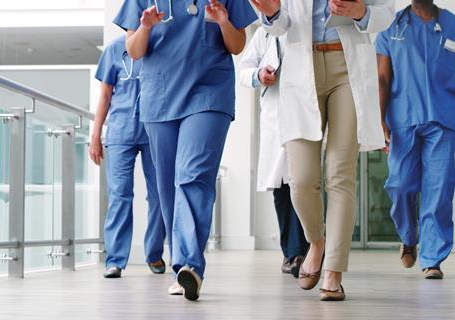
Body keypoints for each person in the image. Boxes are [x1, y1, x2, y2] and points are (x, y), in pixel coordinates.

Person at [113, 0, 257, 301]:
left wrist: (223, 22)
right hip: (160, 95)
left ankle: (189, 265)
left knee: (194, 175)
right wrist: (145, 26)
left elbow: (237, 44)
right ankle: (182, 263)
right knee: (166, 188)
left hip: (209, 93)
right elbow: (134, 50)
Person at [251, 0, 394, 300]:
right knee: (301, 180)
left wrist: (361, 13)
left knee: (340, 175)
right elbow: (279, 27)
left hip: (347, 66)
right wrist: (272, 12)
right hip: (301, 69)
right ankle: (316, 242)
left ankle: (334, 272)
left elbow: (386, 13)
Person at [376, 0, 455, 279]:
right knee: (399, 185)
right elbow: (383, 77)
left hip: (442, 120)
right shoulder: (391, 26)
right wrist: (380, 119)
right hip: (402, 118)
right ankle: (409, 237)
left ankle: (432, 258)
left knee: (439, 190)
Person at [89, 35, 167, 279]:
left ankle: (154, 253)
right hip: (120, 131)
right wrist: (95, 135)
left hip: (155, 127)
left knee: (159, 195)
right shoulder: (113, 50)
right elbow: (105, 96)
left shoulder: (160, 45)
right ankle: (115, 259)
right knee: (119, 195)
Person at [238, 27, 308, 278]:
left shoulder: (306, 24)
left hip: (305, 113)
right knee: (282, 187)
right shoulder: (263, 34)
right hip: (276, 116)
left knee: (304, 183)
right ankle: (293, 253)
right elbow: (243, 71)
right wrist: (259, 75)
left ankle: (306, 250)